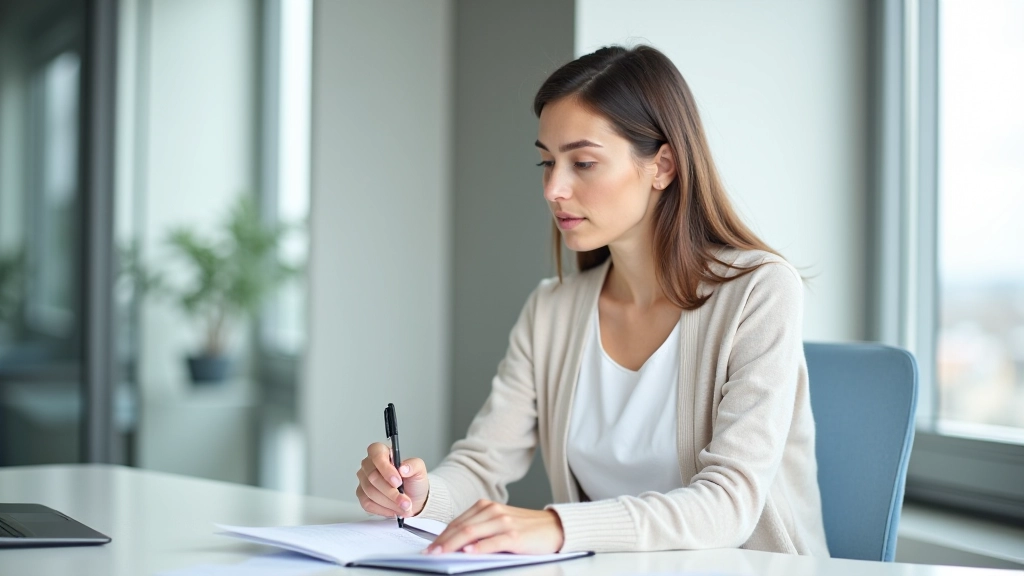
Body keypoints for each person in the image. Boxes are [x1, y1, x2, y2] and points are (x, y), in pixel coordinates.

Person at [355, 45, 829, 558]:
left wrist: (557, 528)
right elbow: (484, 464)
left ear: (662, 165)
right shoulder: (552, 311)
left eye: (583, 162)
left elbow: (727, 504)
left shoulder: (759, 293)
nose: (553, 188)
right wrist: (421, 497)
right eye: (546, 162)